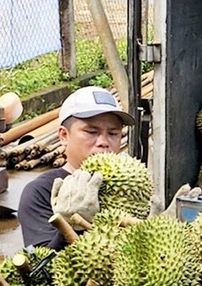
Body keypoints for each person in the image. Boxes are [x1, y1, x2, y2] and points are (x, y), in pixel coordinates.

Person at [18, 86, 133, 249]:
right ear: (64, 136)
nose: (104, 142)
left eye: (113, 133)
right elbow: (40, 269)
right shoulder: (40, 192)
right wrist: (69, 226)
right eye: (92, 132)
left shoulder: (130, 185)